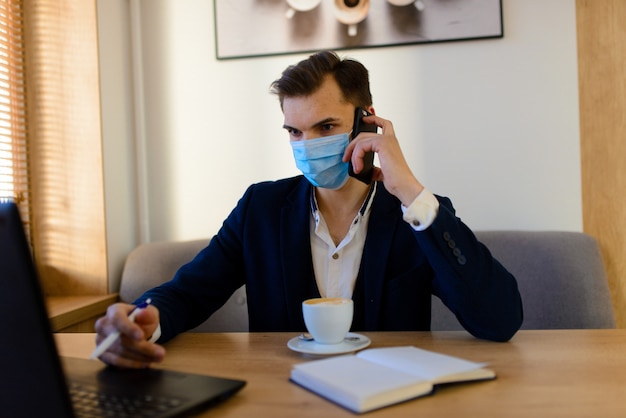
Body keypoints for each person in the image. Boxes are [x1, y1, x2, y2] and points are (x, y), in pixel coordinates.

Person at [95, 50, 523, 368]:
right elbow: (187, 293)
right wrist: (142, 319)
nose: (307, 145)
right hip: (285, 397)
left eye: (326, 127)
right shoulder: (259, 209)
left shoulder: (417, 215)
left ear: (366, 121)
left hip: (390, 398)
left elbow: (499, 319)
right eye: (294, 132)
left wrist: (409, 189)